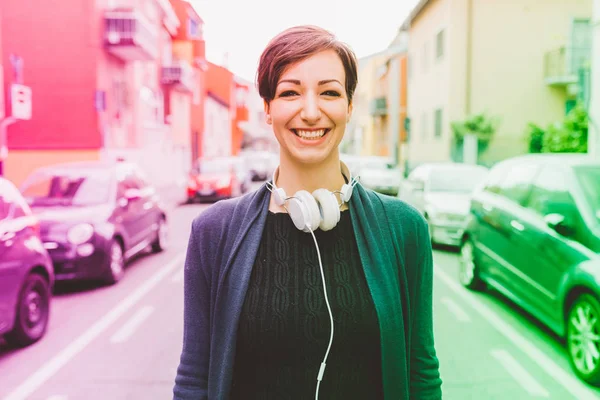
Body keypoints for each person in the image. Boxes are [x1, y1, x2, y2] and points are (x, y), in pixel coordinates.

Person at [173, 25, 442, 400]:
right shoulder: (214, 232)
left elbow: (421, 373)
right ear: (267, 108)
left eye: (329, 92)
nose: (311, 112)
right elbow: (193, 378)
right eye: (290, 93)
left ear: (349, 106)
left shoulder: (404, 229)